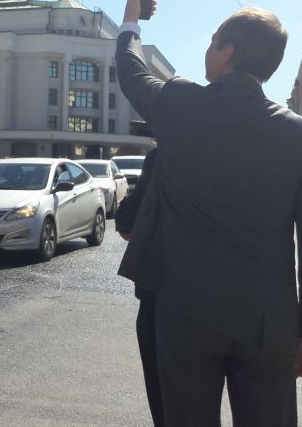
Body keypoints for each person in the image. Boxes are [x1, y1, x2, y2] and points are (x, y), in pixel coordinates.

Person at [115, 0, 302, 426]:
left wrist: (131, 22)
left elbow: (131, 70)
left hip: (184, 316)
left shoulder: (179, 105)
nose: (207, 50)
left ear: (227, 51)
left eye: (213, 41)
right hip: (268, 325)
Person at [114, 145, 163, 427]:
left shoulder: (165, 154)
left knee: (167, 400)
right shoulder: (266, 142)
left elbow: (128, 223)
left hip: (162, 294)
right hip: (243, 301)